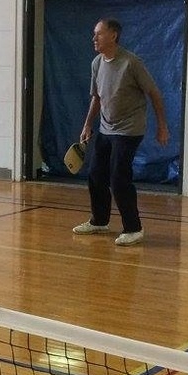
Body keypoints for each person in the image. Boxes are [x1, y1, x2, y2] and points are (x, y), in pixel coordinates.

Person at [73, 18, 169, 246]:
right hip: (106, 128)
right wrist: (88, 124)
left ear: (113, 35)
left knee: (118, 178)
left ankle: (134, 228)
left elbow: (154, 94)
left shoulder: (131, 63)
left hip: (129, 130)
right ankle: (99, 221)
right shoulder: (97, 63)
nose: (94, 38)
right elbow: (97, 97)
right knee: (96, 175)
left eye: (99, 33)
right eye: (94, 34)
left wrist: (162, 126)